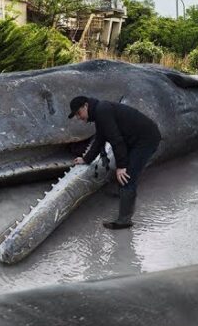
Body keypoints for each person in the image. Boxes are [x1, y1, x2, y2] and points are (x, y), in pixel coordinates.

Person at [69, 95, 162, 229]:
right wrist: (86, 159)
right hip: (135, 138)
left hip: (146, 139)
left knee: (127, 176)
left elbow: (116, 140)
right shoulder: (100, 112)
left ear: (86, 106)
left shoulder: (102, 111)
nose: (79, 117)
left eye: (79, 113)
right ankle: (123, 195)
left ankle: (124, 220)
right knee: (124, 171)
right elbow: (100, 139)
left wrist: (122, 166)